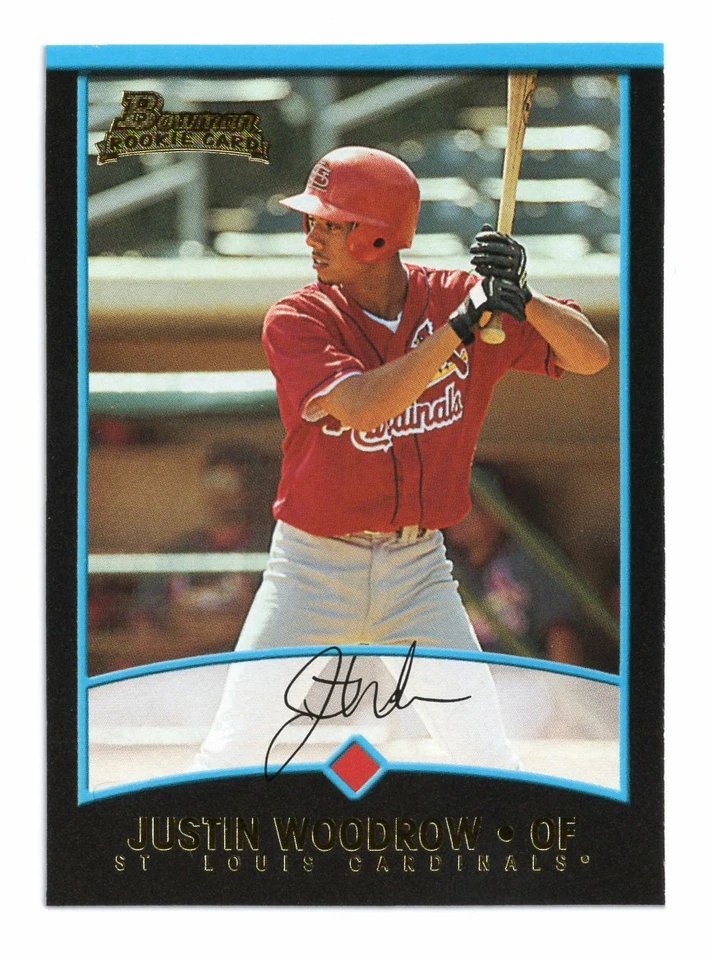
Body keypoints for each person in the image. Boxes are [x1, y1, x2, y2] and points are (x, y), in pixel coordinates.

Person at [193, 146, 609, 775]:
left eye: (329, 223)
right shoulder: (299, 317)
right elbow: (364, 407)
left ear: (379, 235)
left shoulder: (460, 299)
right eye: (311, 221)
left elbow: (591, 357)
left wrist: (524, 299)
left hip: (418, 571)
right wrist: (457, 332)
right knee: (237, 747)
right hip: (312, 569)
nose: (310, 237)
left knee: (486, 756)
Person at [445, 475, 584, 665]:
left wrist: (561, 683)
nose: (461, 514)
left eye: (474, 507)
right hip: (460, 674)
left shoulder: (531, 560)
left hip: (519, 675)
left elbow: (561, 634)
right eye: (454, 504)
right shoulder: (438, 562)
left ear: (500, 514)